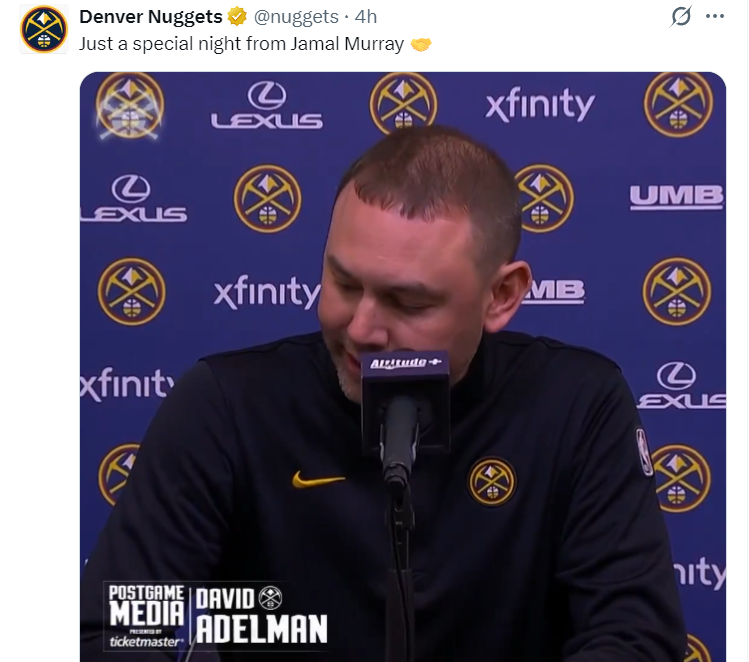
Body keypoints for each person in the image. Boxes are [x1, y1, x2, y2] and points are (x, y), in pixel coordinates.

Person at [80, 124, 686, 661]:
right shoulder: (227, 405)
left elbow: (635, 636)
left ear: (501, 296)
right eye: (344, 284)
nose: (362, 329)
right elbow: (114, 631)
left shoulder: (576, 404)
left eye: (408, 302)